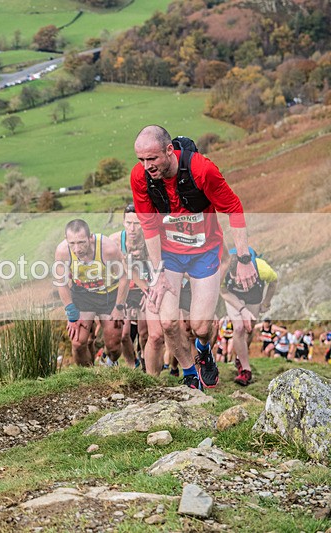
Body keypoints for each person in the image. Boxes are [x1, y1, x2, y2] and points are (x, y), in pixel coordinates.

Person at [130, 125, 258, 390]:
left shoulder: (202, 170)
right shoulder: (140, 177)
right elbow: (149, 225)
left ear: (169, 151)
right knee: (167, 322)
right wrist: (158, 272)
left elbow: (234, 208)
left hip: (204, 251)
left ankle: (204, 351)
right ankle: (190, 374)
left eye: (152, 159)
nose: (146, 166)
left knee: (200, 327)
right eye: (141, 160)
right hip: (169, 254)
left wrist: (244, 260)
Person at [54, 218, 129, 366]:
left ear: (90, 237)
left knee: (113, 344)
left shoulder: (108, 249)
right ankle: (88, 374)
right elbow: (61, 283)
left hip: (109, 295)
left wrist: (119, 307)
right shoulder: (63, 252)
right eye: (72, 243)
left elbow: (124, 278)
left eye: (81, 242)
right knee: (77, 342)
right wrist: (72, 314)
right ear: (66, 240)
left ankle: (109, 362)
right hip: (83, 295)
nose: (77, 249)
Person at [109, 204, 166, 374]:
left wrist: (149, 291)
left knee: (144, 332)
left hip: (146, 286)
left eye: (137, 223)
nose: (132, 229)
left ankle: (145, 361)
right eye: (129, 223)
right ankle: (131, 365)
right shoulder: (115, 241)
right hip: (124, 288)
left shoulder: (150, 241)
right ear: (123, 222)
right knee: (125, 334)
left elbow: (156, 268)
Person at [219, 247, 279, 385]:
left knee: (249, 328)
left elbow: (274, 281)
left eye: (240, 278)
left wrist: (266, 302)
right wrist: (241, 309)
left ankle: (240, 357)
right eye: (235, 279)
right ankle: (245, 370)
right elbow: (223, 291)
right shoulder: (222, 270)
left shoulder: (261, 268)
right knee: (239, 328)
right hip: (233, 295)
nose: (239, 282)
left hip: (254, 295)